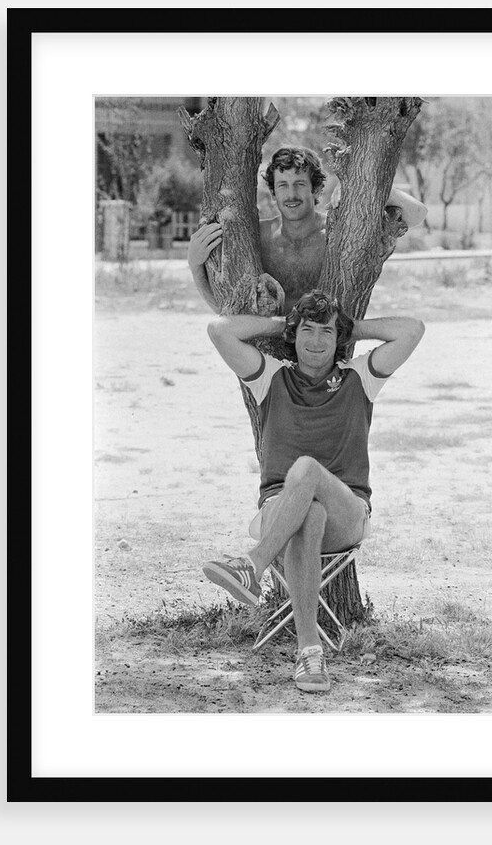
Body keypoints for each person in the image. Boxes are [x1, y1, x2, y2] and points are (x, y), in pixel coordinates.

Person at [202, 289, 425, 692]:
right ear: (294, 334)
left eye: (327, 331)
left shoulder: (361, 378)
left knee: (306, 470)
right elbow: (219, 331)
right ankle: (310, 656)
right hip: (282, 510)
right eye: (307, 330)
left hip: (348, 512)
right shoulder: (272, 378)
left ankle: (252, 565)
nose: (317, 341)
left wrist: (350, 326)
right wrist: (279, 324)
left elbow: (412, 330)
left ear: (338, 338)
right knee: (309, 515)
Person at [188, 145, 428, 314]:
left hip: (324, 349)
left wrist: (366, 192)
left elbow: (417, 214)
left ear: (316, 190)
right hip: (268, 350)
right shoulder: (257, 237)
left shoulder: (337, 233)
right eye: (283, 185)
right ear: (273, 193)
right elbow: (225, 309)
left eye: (300, 184)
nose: (291, 194)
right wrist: (195, 264)